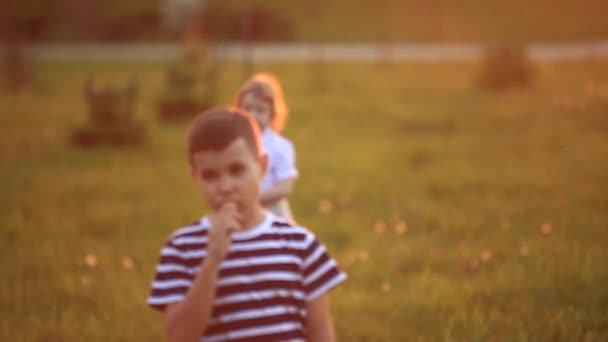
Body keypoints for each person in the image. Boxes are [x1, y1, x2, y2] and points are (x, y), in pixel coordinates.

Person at [147, 108, 346, 342]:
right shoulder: (181, 248)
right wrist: (213, 258)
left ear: (262, 167)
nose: (225, 186)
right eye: (210, 175)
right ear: (195, 178)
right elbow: (180, 336)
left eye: (237, 170)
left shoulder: (301, 245)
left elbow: (321, 334)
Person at [235, 73, 298, 220]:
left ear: (272, 114)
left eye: (260, 110)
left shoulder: (279, 146)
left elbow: (285, 188)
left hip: (272, 211)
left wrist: (254, 200)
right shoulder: (235, 143)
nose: (253, 116)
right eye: (247, 109)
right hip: (240, 211)